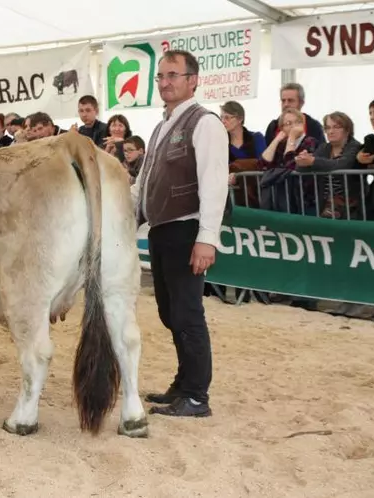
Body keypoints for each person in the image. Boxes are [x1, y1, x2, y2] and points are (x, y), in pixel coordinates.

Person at [131, 50, 229, 417]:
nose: (165, 82)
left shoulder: (205, 123)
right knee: (169, 311)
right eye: (160, 76)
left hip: (188, 229)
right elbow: (143, 185)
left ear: (193, 80)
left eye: (173, 75)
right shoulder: (161, 127)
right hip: (161, 231)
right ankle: (182, 385)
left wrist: (207, 238)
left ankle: (197, 396)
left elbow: (214, 184)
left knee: (188, 313)